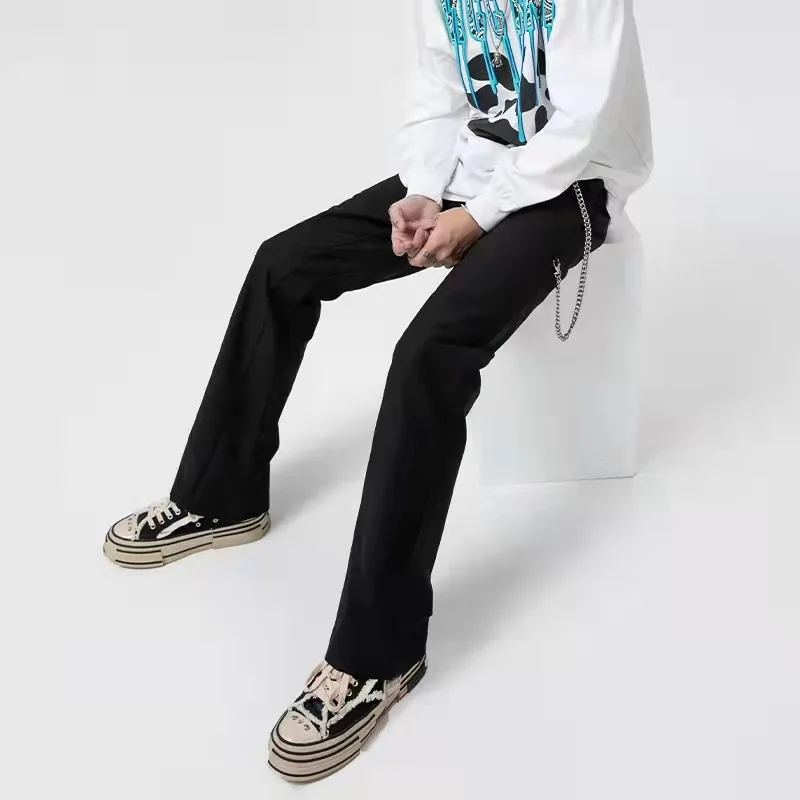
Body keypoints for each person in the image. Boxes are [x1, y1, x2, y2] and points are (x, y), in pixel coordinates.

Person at [103, 0, 652, 783]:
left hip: (569, 187)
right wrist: (425, 191)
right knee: (284, 264)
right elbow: (438, 91)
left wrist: (479, 217)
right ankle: (222, 495)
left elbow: (583, 123)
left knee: (428, 354)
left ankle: (377, 654)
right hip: (470, 175)